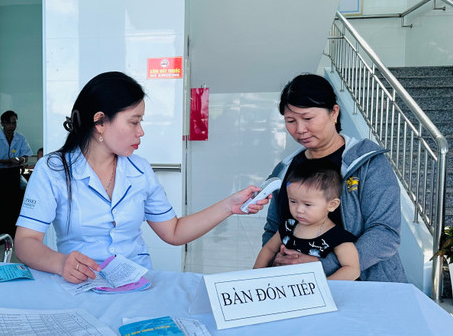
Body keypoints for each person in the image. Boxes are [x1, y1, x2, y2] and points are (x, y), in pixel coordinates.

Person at [14, 71, 268, 283]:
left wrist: (229, 206)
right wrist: (61, 263)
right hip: (81, 284)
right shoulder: (54, 170)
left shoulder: (140, 170)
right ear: (100, 122)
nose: (141, 131)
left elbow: (174, 231)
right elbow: (26, 241)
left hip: (135, 285)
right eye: (134, 122)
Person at [262, 73, 407, 282]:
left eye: (308, 118)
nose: (300, 129)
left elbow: (385, 234)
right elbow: (273, 228)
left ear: (334, 113)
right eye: (291, 121)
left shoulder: (368, 164)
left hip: (363, 286)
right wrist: (274, 268)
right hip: (295, 286)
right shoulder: (285, 169)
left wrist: (320, 266)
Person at [254, 161, 360, 280]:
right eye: (293, 201)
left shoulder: (337, 237)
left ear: (332, 205)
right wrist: (255, 275)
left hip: (315, 290)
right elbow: (269, 249)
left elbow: (352, 269)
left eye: (307, 204)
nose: (299, 210)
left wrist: (322, 286)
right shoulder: (289, 225)